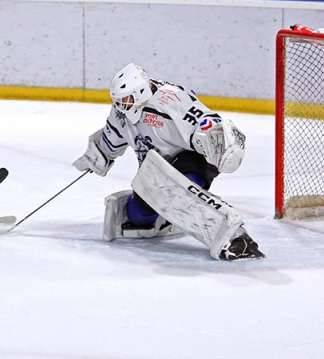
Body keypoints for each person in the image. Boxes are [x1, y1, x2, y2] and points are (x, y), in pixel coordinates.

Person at [72, 63, 264, 261]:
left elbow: (205, 120)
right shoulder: (122, 111)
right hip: (157, 171)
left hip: (192, 158)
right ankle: (166, 218)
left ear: (140, 93)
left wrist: (222, 142)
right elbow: (110, 139)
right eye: (117, 100)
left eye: (126, 99)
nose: (121, 105)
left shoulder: (170, 101)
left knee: (178, 192)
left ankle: (237, 239)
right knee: (137, 217)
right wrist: (98, 155)